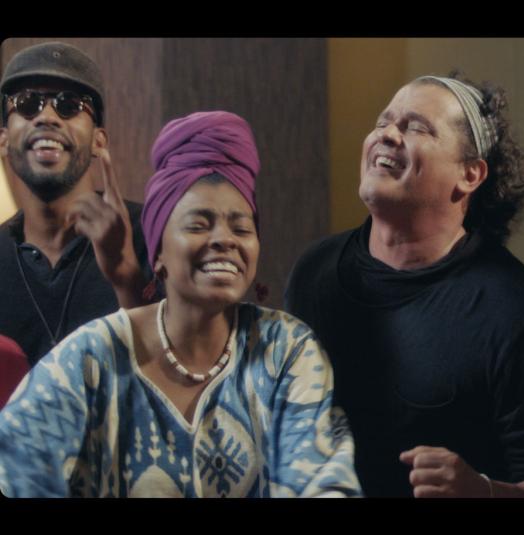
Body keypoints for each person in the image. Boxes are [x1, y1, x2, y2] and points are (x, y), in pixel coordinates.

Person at [0, 111, 359, 497]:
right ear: (157, 254)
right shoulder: (89, 358)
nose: (225, 240)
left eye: (241, 228)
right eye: (198, 225)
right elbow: (14, 469)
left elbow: (322, 481)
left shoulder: (286, 350)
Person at [285, 74, 524, 498]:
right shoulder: (315, 271)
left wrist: (480, 491)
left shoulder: (517, 315)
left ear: (470, 174)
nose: (388, 134)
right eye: (383, 122)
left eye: (416, 128)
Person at [0, 42, 151, 363]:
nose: (47, 117)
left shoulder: (152, 235)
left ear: (99, 140)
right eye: (27, 104)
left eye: (68, 105)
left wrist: (126, 277)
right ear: (4, 139)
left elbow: (179, 368)